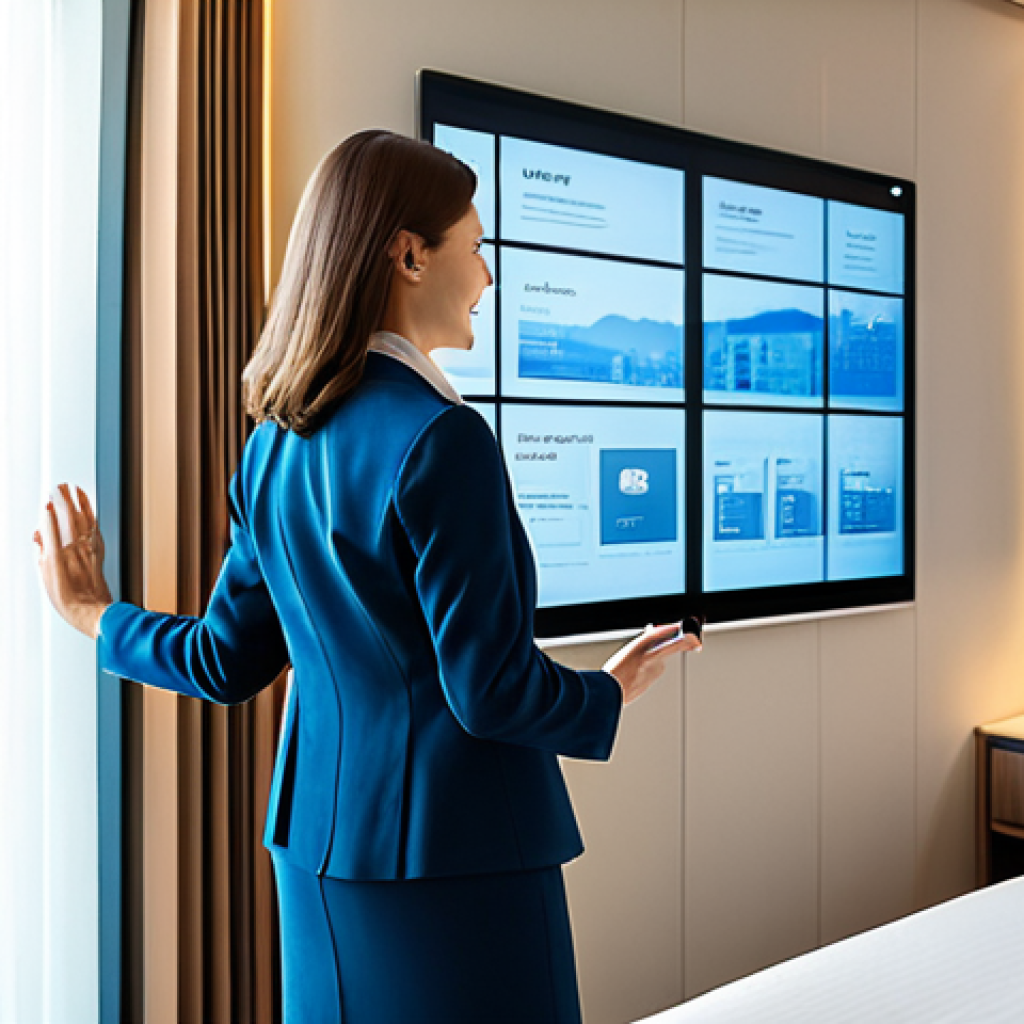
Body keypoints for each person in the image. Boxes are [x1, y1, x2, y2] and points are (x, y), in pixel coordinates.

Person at [34, 129, 702, 1024]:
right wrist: (607, 693)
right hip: (459, 863)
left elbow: (224, 661)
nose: (490, 277)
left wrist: (95, 614)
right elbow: (491, 692)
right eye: (476, 248)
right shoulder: (443, 439)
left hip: (318, 853)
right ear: (409, 254)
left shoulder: (271, 447)